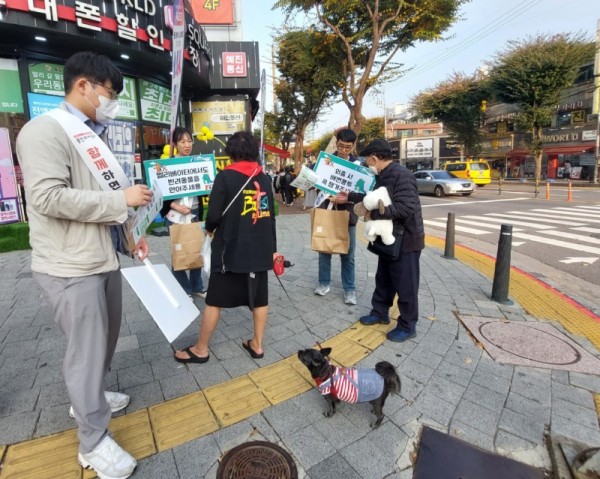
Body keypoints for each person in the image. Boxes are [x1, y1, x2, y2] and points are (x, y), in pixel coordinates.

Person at [16, 51, 152, 479]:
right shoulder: (44, 131)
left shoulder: (91, 135)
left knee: (105, 339)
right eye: (108, 94)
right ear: (83, 87)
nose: (110, 102)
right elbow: (47, 198)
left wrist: (132, 239)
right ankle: (92, 442)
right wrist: (120, 200)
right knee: (86, 352)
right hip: (70, 266)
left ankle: (89, 395)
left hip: (101, 258)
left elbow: (106, 208)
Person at [174, 131, 278, 363]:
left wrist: (210, 228)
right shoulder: (264, 178)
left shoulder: (225, 177)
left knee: (214, 300)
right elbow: (269, 216)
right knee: (260, 298)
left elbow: (213, 216)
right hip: (260, 248)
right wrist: (272, 250)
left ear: (230, 152)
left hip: (230, 249)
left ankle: (201, 349)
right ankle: (257, 345)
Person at [336, 138, 424, 342]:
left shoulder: (402, 176)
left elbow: (406, 208)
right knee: (383, 278)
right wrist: (350, 196)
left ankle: (408, 325)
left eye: (368, 160)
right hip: (390, 238)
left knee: (406, 284)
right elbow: (372, 197)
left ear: (375, 158)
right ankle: (380, 312)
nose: (368, 164)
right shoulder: (384, 175)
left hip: (407, 240)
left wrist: (372, 214)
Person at [160, 127, 206, 298]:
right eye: (182, 141)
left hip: (193, 212)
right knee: (178, 251)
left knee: (196, 249)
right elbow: (159, 194)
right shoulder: (167, 165)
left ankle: (197, 286)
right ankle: (183, 289)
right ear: (175, 143)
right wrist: (174, 205)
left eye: (189, 141)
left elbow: (205, 187)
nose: (187, 145)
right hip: (175, 215)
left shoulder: (198, 163)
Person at [314, 128, 359, 305]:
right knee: (324, 250)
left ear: (353, 146)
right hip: (327, 212)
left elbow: (361, 192)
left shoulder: (358, 167)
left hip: (348, 216)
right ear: (336, 142)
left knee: (348, 254)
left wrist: (346, 198)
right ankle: (323, 283)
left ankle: (350, 290)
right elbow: (317, 183)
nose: (343, 150)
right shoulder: (326, 162)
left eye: (348, 147)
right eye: (341, 146)